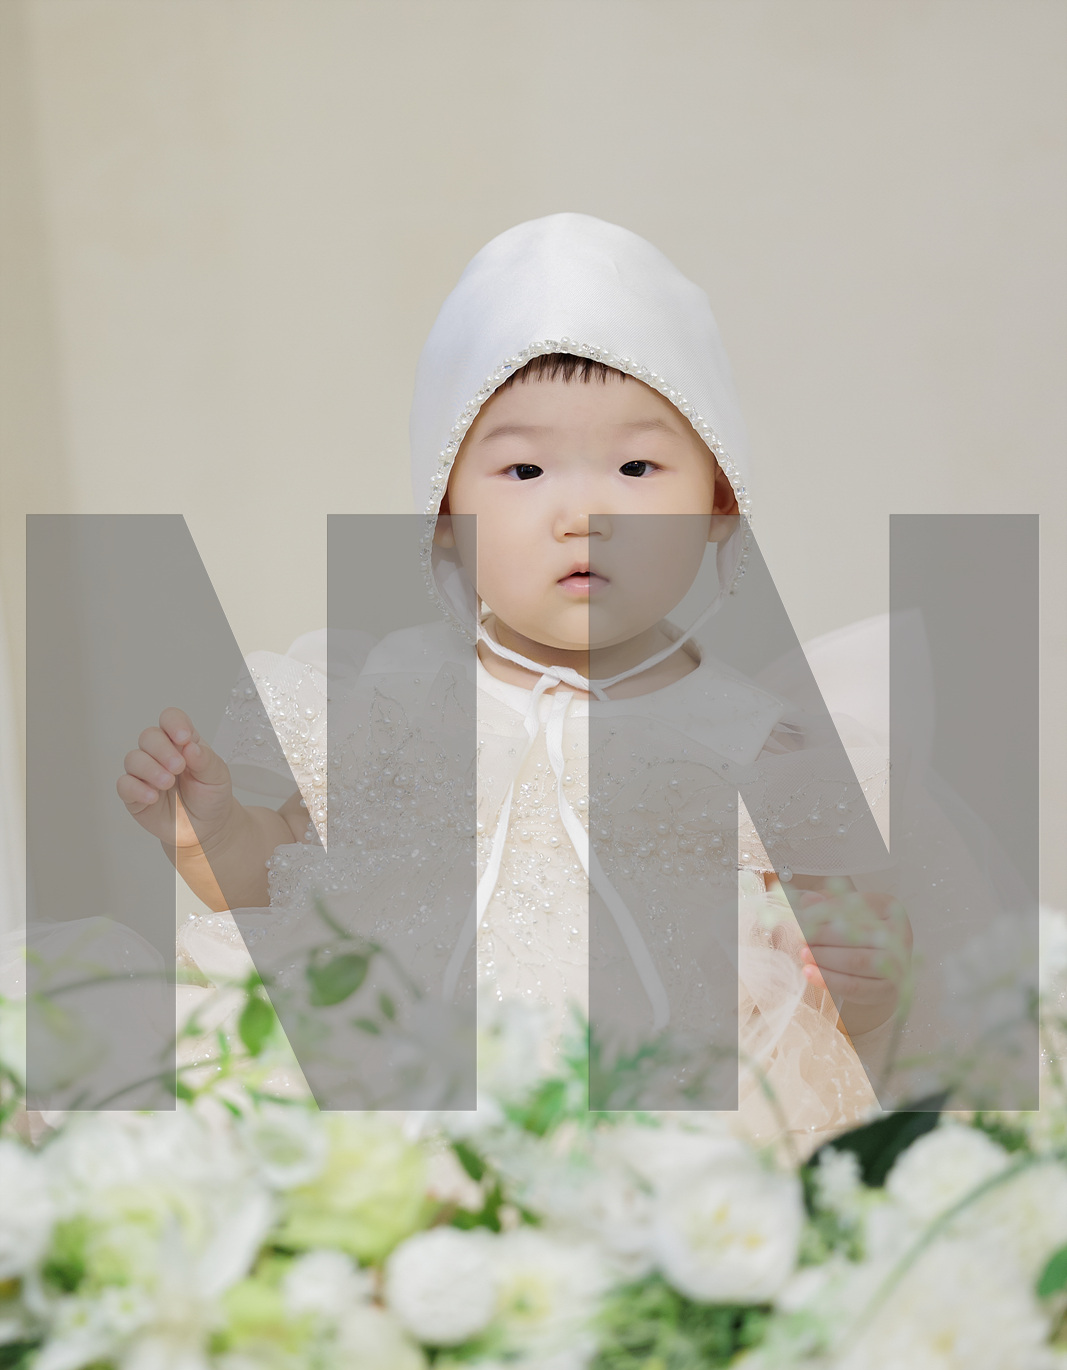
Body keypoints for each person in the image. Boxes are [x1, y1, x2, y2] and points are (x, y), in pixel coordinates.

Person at [117, 215, 939, 1142]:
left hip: (663, 1129)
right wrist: (214, 830)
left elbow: (838, 986)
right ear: (444, 513)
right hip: (398, 1107)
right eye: (523, 469)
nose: (580, 513)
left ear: (717, 502)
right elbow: (282, 899)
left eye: (635, 466)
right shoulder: (392, 700)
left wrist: (865, 978)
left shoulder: (760, 742)